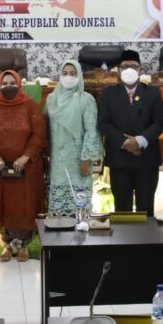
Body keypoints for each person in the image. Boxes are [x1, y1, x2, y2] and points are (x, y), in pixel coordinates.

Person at [0, 70, 46, 262]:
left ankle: (23, 246)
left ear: (19, 84)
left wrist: (25, 156)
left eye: (12, 83)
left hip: (26, 167)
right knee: (0, 204)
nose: (8, 86)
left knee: (24, 206)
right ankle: (5, 246)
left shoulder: (31, 106)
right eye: (4, 83)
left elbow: (39, 135)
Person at [97, 49, 163, 216]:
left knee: (146, 208)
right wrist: (125, 142)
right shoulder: (107, 93)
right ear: (118, 70)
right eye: (125, 66)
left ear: (140, 69)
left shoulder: (153, 92)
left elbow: (160, 122)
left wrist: (140, 141)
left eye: (133, 66)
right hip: (119, 160)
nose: (129, 70)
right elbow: (103, 123)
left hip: (146, 159)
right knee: (122, 210)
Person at [45, 60, 102, 215]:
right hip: (57, 161)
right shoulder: (51, 99)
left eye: (72, 73)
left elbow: (91, 131)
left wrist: (86, 160)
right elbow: (46, 129)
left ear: (79, 76)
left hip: (78, 160)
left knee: (79, 204)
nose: (68, 77)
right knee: (59, 208)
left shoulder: (86, 99)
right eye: (64, 73)